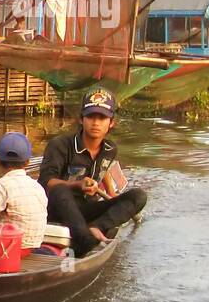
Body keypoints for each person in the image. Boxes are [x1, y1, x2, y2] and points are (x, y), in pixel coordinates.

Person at [38, 88, 147, 256]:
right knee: (60, 190)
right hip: (57, 208)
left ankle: (96, 228)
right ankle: (86, 241)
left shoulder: (110, 149)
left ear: (111, 123)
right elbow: (47, 183)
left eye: (102, 118)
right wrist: (77, 185)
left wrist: (114, 197)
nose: (96, 123)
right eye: (91, 117)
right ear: (81, 119)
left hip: (87, 208)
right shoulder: (60, 145)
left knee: (138, 196)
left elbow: (104, 172)